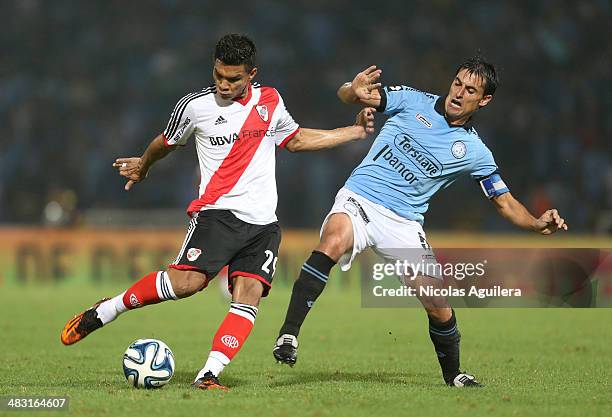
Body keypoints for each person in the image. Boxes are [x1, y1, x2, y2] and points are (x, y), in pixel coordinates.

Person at [60, 33, 375, 391]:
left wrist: (351, 131)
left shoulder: (270, 101)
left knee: (249, 294)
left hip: (263, 224)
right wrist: (144, 166)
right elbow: (165, 142)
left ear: (251, 74)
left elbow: (296, 139)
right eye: (218, 76)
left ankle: (208, 375)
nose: (224, 85)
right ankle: (108, 309)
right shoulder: (195, 107)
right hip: (217, 215)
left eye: (233, 78)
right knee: (186, 284)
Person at [273, 58, 568, 387]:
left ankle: (454, 375)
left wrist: (537, 224)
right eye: (457, 83)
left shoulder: (474, 151)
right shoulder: (412, 100)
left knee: (437, 305)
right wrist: (350, 90)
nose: (458, 93)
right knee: (332, 241)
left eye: (470, 90)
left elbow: (505, 202)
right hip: (361, 198)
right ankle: (289, 335)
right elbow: (353, 95)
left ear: (484, 100)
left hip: (403, 223)